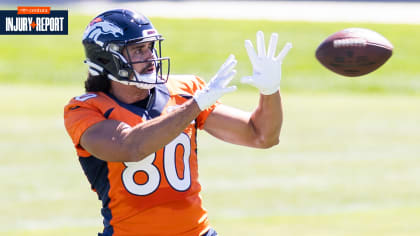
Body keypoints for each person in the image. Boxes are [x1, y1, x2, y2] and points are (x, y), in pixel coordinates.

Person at [64, 9, 292, 236]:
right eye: (138, 49)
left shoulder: (184, 91)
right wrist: (195, 105)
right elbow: (130, 147)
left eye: (150, 47)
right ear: (107, 58)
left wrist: (270, 90)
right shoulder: (84, 109)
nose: (151, 56)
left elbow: (261, 135)